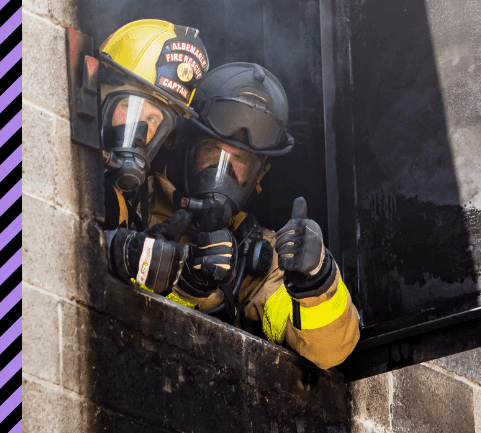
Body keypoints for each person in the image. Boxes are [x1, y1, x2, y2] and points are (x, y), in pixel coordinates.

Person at [151, 61, 361, 370]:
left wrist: (316, 279)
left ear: (259, 174)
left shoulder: (258, 254)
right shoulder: (136, 205)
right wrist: (186, 287)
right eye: (212, 151)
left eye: (240, 160)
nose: (224, 170)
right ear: (182, 146)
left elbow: (328, 351)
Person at [98, 19, 213, 292]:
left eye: (153, 118)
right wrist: (108, 249)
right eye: (131, 107)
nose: (143, 131)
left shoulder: (133, 204)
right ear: (97, 95)